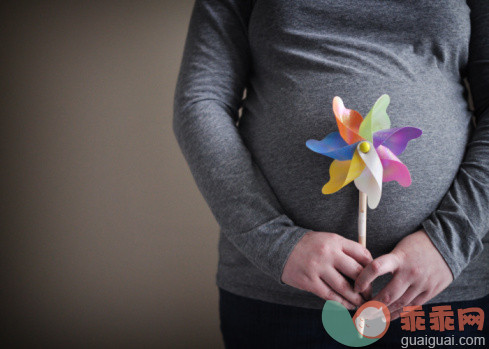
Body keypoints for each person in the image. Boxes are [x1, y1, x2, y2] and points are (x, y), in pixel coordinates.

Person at [173, 0, 489, 347]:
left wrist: (450, 240)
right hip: (278, 290)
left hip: (438, 289)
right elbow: (200, 100)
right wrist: (274, 241)